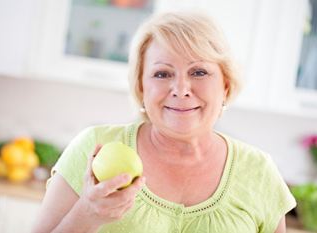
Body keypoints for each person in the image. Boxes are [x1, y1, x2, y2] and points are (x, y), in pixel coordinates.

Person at [32, 10, 296, 233]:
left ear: (225, 86)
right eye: (162, 73)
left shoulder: (260, 172)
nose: (181, 89)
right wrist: (86, 215)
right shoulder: (94, 148)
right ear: (141, 86)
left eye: (199, 71)